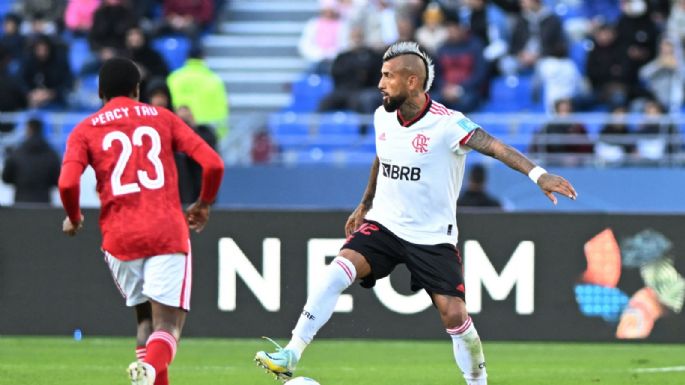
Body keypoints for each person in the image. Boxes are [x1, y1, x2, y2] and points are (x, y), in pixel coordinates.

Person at [255, 41, 577, 385]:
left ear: (412, 82)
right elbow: (383, 155)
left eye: (388, 76)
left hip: (432, 237)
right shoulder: (383, 116)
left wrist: (538, 175)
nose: (380, 83)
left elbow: (495, 146)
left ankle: (477, 382)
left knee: (455, 316)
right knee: (336, 272)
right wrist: (365, 203)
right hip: (385, 225)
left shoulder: (448, 124)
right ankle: (291, 352)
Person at [57, 57, 224, 385]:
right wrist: (203, 203)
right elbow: (213, 164)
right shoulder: (162, 118)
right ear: (137, 90)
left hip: (119, 238)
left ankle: (146, 372)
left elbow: (67, 183)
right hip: (164, 231)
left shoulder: (85, 129)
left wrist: (74, 217)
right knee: (168, 326)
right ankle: (149, 370)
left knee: (145, 319)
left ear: (100, 92)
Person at [167, 46, 229, 139]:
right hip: (208, 132)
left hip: (178, 130)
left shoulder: (174, 78)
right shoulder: (214, 79)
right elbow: (222, 107)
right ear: (203, 58)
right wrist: (221, 134)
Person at [2, 118, 60, 204]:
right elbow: (58, 180)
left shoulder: (16, 153)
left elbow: (6, 178)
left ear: (28, 129)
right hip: (44, 203)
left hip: (20, 202)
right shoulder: (52, 154)